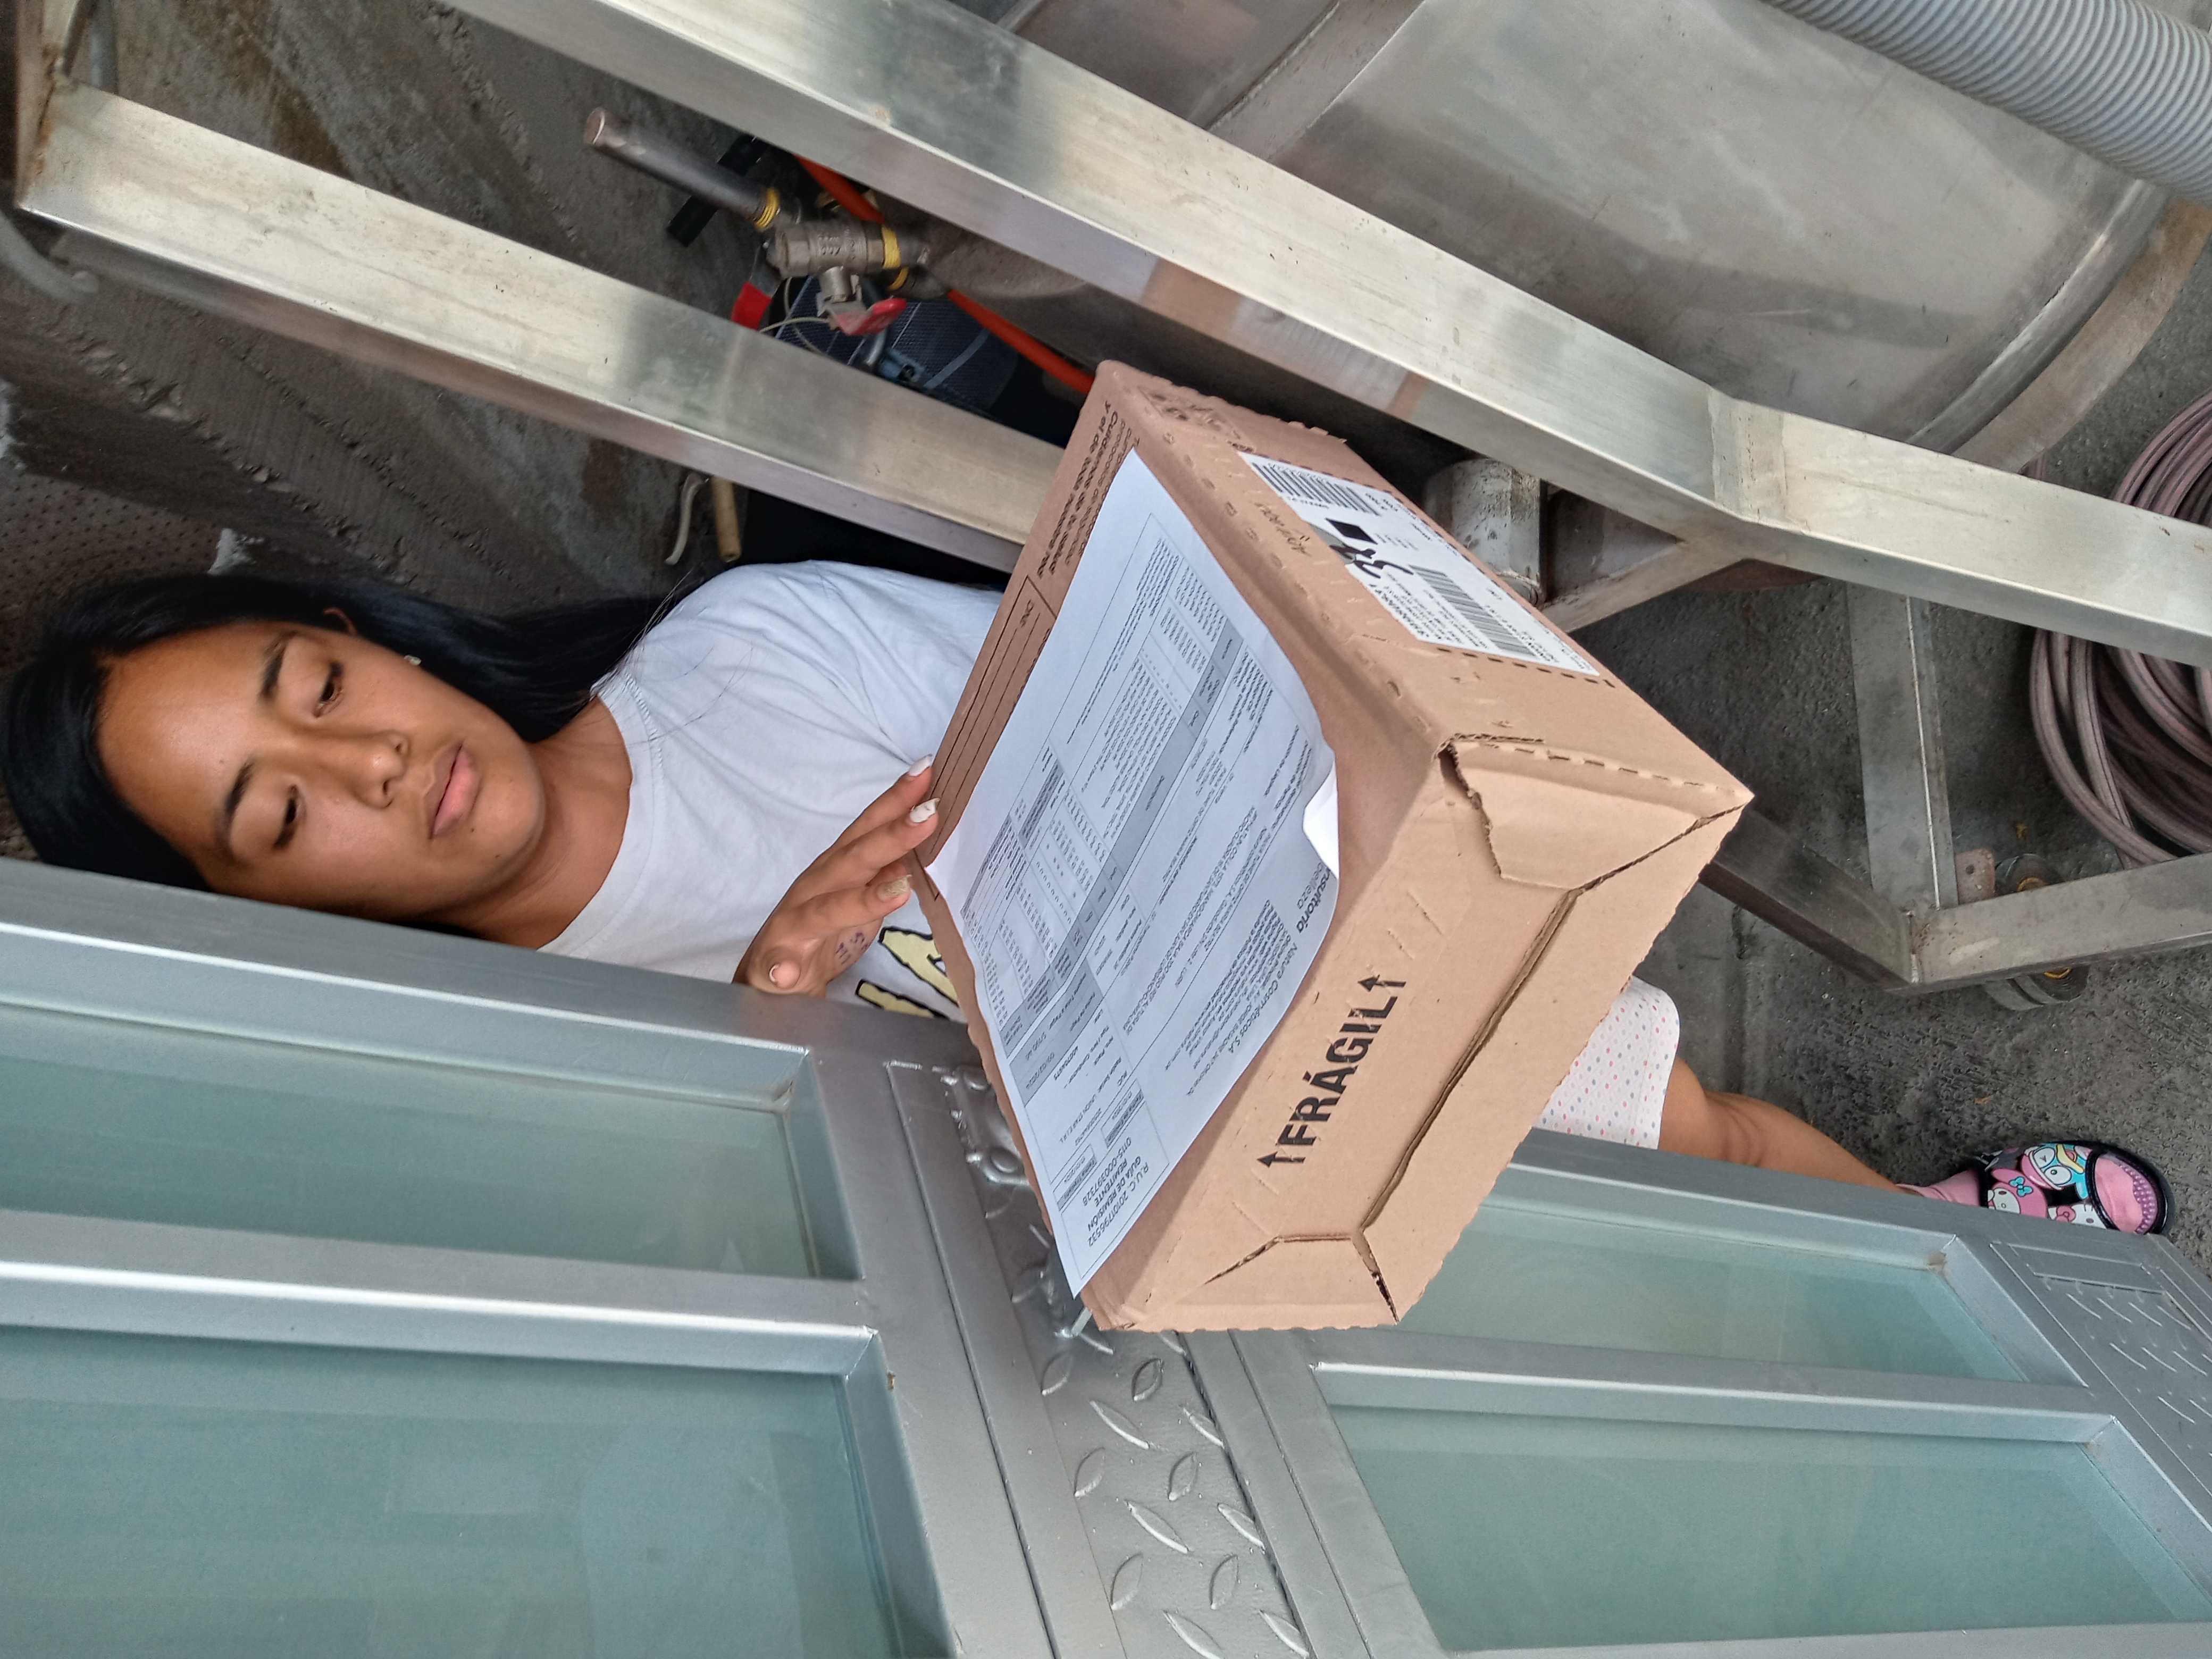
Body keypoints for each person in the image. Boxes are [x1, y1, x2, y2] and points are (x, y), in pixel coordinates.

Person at [1, 562, 2170, 1235]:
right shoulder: (539, 1081)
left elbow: (1171, 692)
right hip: (1194, 1261)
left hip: (1320, 976)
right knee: (1676, 1317)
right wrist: (776, 1023)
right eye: (277, 818)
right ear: (267, 909)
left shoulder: (752, 647)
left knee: (1693, 1143)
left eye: (312, 691)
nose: (371, 765)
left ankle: (1962, 1251)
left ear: (357, 633)